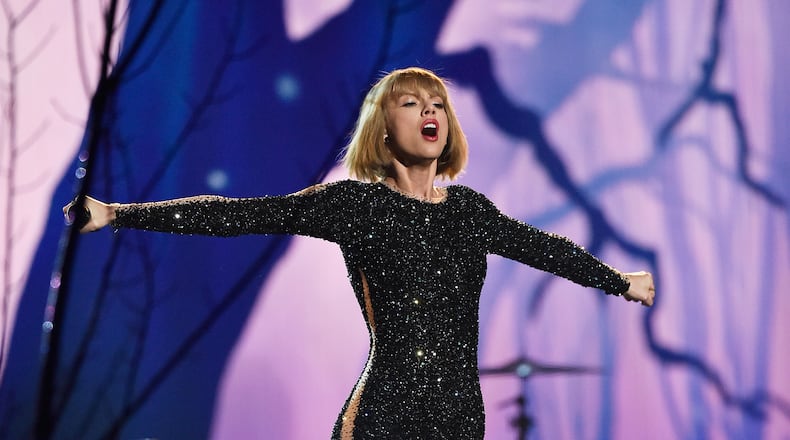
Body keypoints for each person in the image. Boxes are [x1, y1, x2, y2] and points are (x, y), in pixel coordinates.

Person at [64, 67, 655, 439]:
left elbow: (541, 247)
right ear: (382, 125)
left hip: (459, 417)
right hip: (384, 416)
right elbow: (239, 213)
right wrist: (120, 214)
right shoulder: (354, 206)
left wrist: (616, 280)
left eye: (439, 104)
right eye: (412, 103)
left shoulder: (470, 211)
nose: (431, 111)